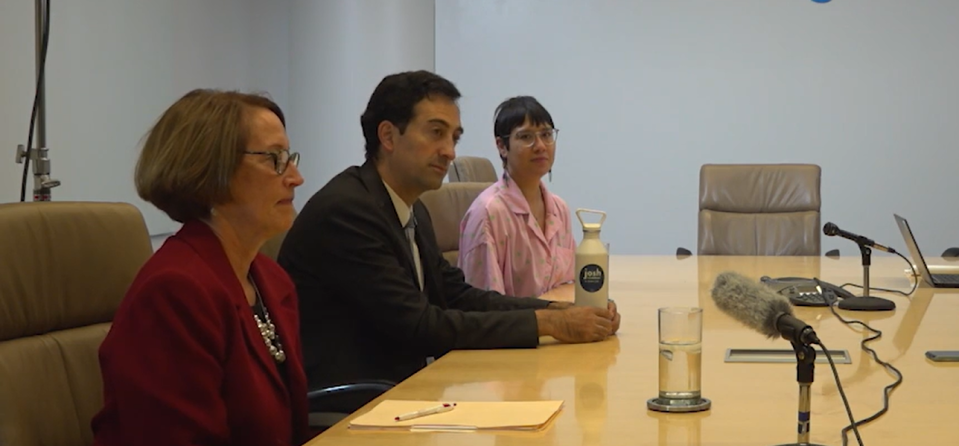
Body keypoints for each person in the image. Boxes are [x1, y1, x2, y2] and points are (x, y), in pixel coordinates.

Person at [278, 71, 620, 411]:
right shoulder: (348, 211)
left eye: (454, 138)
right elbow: (420, 325)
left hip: (404, 393)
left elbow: (456, 294)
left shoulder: (409, 207)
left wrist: (558, 310)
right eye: (436, 133)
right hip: (355, 406)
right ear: (388, 135)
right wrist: (551, 324)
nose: (449, 152)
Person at [91, 89, 309, 446]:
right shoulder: (175, 291)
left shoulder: (272, 279)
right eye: (274, 159)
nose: (296, 178)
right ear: (212, 171)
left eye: (289, 157)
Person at [458, 96, 575, 297]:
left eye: (546, 134)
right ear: (502, 146)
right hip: (517, 327)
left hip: (555, 323)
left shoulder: (559, 208)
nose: (540, 146)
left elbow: (569, 283)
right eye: (526, 137)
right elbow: (484, 310)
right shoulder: (488, 213)